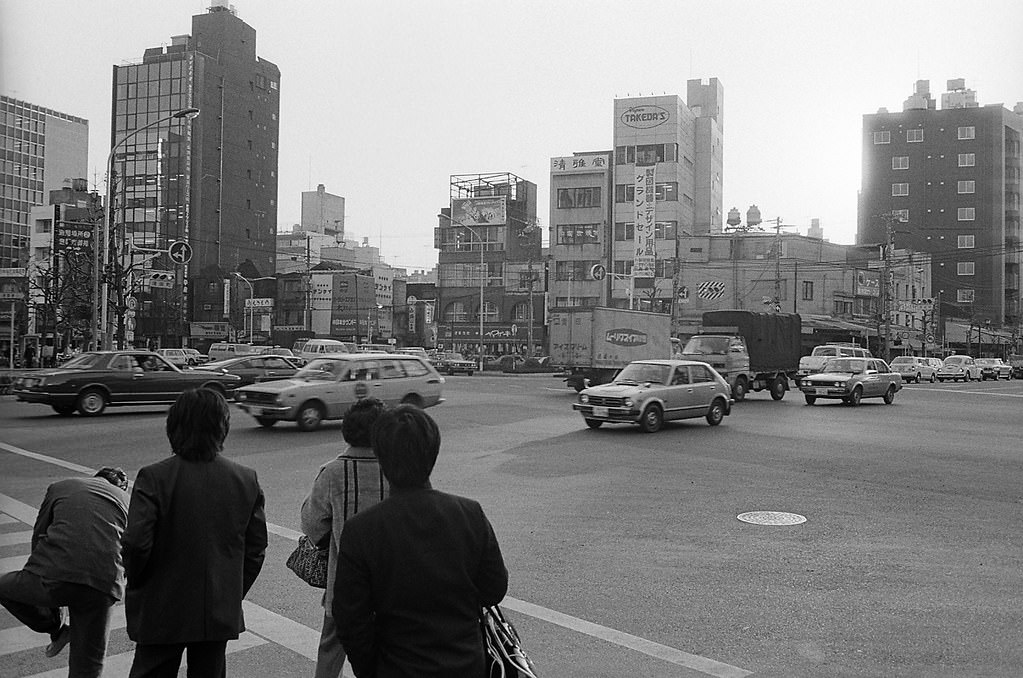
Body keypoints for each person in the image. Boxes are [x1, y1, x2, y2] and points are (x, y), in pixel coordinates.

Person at [333, 405, 508, 677]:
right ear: (433, 453)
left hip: (396, 667)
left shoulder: (361, 530)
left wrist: (371, 668)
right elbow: (494, 589)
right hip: (465, 664)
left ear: (380, 455)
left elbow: (350, 618)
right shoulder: (469, 513)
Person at [121, 388, 268, 678]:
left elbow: (137, 544)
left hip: (160, 605)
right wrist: (229, 591)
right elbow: (255, 550)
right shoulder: (245, 479)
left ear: (175, 427)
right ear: (221, 429)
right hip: (216, 609)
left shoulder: (154, 477)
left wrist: (140, 583)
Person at [0, 467, 130, 678]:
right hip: (102, 586)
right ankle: (60, 630)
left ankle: (56, 628)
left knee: (4, 587)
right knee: (88, 668)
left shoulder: (62, 487)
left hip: (53, 580)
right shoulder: (127, 500)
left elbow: (39, 535)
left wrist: (49, 603)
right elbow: (133, 548)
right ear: (120, 487)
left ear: (96, 478)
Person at [300, 397, 388, 678]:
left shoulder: (333, 472)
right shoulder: (397, 470)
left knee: (331, 650)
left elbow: (312, 523)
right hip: (392, 588)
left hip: (344, 587)